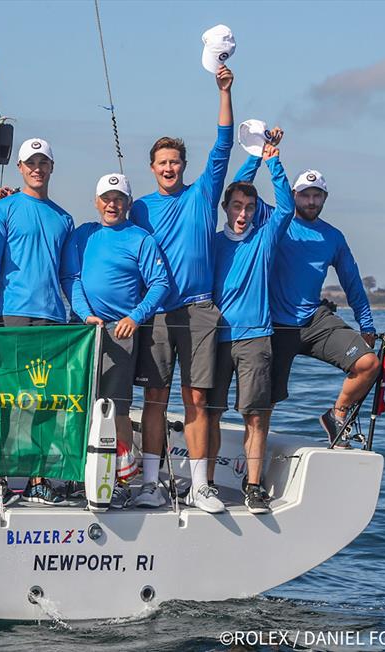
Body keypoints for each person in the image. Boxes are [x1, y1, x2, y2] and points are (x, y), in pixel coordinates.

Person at [128, 64, 234, 512]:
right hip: (153, 314)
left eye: (175, 162)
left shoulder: (202, 195)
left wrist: (225, 91)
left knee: (196, 398)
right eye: (162, 163)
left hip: (197, 311)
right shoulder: (137, 208)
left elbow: (224, 145)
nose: (169, 168)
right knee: (154, 397)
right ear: (152, 168)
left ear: (184, 166)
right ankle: (150, 483)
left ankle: (199, 486)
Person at [232, 155, 379, 447]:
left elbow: (352, 281)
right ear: (294, 195)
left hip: (314, 321)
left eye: (317, 195)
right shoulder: (272, 219)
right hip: (272, 325)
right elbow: (240, 187)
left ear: (324, 197)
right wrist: (260, 155)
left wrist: (367, 324)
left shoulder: (333, 237)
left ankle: (336, 414)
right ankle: (250, 466)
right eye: (305, 195)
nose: (311, 201)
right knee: (265, 404)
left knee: (369, 364)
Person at [0, 137, 74, 506]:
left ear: (51, 167)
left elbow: (69, 276)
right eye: (30, 163)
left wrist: (81, 313)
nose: (37, 168)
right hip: (12, 315)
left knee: (44, 399)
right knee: (8, 397)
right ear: (20, 168)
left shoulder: (64, 217)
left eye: (43, 162)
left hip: (52, 318)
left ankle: (38, 479)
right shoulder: (4, 210)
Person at [62, 173, 169, 509]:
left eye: (119, 198)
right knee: (78, 404)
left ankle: (120, 480)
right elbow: (72, 277)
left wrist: (134, 317)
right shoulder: (83, 235)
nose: (113, 204)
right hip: (83, 330)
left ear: (128, 203)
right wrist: (83, 312)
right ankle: (75, 476)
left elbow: (160, 283)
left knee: (116, 409)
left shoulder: (141, 239)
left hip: (120, 333)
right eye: (107, 198)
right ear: (97, 201)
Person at [207, 143, 294, 514]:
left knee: (256, 414)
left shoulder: (264, 239)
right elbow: (236, 184)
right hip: (214, 339)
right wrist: (253, 156)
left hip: (256, 339)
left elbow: (287, 207)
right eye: (237, 206)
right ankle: (205, 483)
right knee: (210, 413)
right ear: (226, 208)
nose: (243, 214)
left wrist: (272, 160)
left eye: (250, 208)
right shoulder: (210, 243)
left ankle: (254, 485)